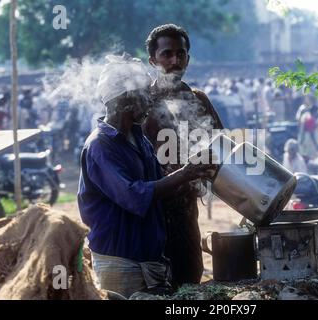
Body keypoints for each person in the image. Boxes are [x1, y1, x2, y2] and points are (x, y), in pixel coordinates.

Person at [77, 54, 216, 298]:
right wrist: (184, 174)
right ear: (125, 100)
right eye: (144, 95)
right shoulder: (100, 146)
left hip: (150, 259)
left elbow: (157, 187)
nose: (150, 102)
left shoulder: (139, 139)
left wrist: (190, 178)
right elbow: (134, 195)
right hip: (120, 262)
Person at [143, 24, 223, 288]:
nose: (175, 61)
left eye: (181, 53)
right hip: (148, 214)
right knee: (154, 286)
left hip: (186, 212)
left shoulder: (199, 100)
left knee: (189, 280)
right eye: (167, 54)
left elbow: (222, 150)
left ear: (188, 57)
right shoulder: (139, 103)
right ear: (153, 59)